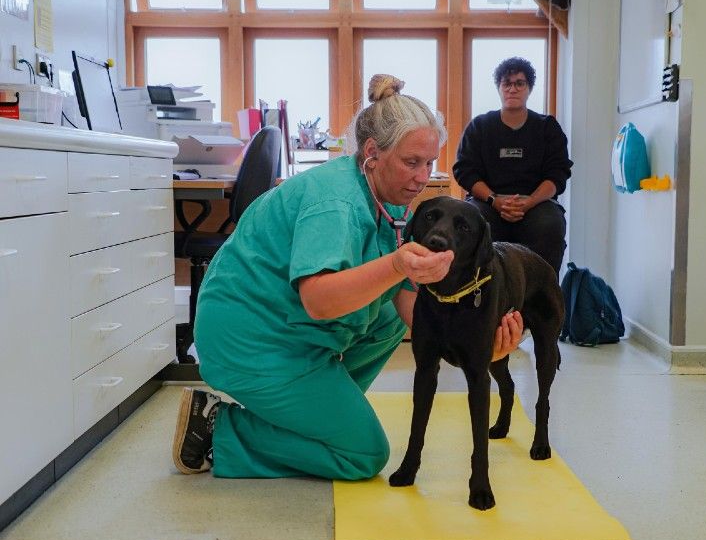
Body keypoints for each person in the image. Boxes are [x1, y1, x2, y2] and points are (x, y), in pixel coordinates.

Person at [172, 74, 524, 481]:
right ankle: (217, 429)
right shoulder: (335, 203)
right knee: (362, 454)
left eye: (429, 162)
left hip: (289, 333)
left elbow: (416, 315)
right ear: (372, 152)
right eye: (411, 162)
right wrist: (396, 266)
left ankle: (312, 413)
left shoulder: (393, 204)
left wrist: (482, 349)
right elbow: (319, 301)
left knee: (397, 314)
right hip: (248, 340)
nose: (422, 176)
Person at [453, 56, 573, 273]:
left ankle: (540, 297)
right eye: (506, 83)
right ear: (499, 88)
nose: (513, 89)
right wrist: (495, 200)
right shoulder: (480, 126)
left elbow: (558, 173)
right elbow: (465, 171)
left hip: (536, 204)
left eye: (520, 83)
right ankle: (479, 295)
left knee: (550, 224)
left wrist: (530, 202)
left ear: (529, 88)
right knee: (470, 219)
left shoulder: (547, 128)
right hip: (488, 202)